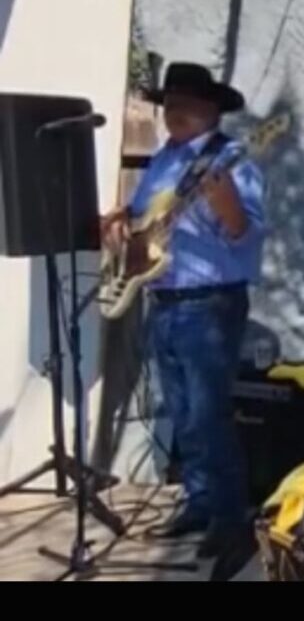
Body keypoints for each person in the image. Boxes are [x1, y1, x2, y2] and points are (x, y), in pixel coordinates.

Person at [101, 63, 266, 561]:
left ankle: (232, 520)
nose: (174, 112)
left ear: (212, 109)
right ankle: (199, 502)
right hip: (164, 299)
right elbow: (144, 218)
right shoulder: (165, 158)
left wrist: (226, 204)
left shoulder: (235, 161)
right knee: (183, 415)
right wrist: (120, 224)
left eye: (186, 103)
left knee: (209, 415)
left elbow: (248, 234)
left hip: (210, 303)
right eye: (169, 102)